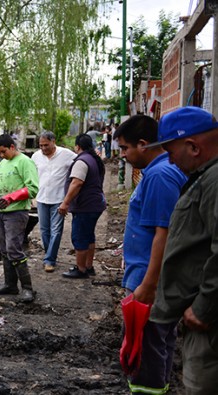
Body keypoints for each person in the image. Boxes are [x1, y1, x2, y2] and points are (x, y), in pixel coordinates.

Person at [147, 106, 218, 394]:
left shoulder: (214, 181)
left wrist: (203, 308)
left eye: (171, 151)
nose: (170, 160)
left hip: (208, 324)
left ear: (193, 146)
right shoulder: (204, 177)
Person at [114, 115, 187, 394]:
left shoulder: (159, 175)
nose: (122, 156)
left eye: (124, 148)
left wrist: (148, 285)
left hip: (149, 280)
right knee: (157, 342)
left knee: (146, 347)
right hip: (148, 275)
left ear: (143, 144)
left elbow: (165, 233)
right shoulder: (161, 171)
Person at [0, 134, 39, 303]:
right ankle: (10, 284)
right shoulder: (2, 164)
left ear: (11, 147)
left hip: (16, 212)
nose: (1, 155)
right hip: (0, 212)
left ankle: (27, 288)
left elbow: (32, 188)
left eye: (3, 152)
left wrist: (11, 197)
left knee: (13, 249)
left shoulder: (25, 162)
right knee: (3, 249)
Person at [59, 134, 106, 279]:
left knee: (79, 237)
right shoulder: (94, 159)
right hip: (95, 204)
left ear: (77, 146)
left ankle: (80, 269)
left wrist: (65, 202)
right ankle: (88, 266)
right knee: (89, 236)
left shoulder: (81, 161)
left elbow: (77, 183)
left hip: (85, 206)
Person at [30, 131, 76, 272]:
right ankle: (50, 254)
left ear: (53, 141)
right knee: (44, 230)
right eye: (41, 145)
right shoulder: (36, 156)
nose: (43, 148)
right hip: (42, 198)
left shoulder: (67, 154)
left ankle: (49, 259)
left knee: (56, 230)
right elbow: (32, 175)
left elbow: (81, 163)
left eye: (46, 145)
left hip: (58, 199)